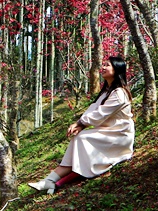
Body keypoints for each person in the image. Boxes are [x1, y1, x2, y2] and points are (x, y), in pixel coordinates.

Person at [27, 55, 135, 195]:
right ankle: (50, 180)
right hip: (108, 131)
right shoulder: (107, 92)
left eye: (107, 65)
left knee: (82, 138)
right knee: (78, 137)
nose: (103, 68)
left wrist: (81, 124)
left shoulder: (119, 93)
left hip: (119, 134)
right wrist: (80, 124)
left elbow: (101, 113)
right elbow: (94, 109)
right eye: (103, 65)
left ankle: (60, 178)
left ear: (117, 69)